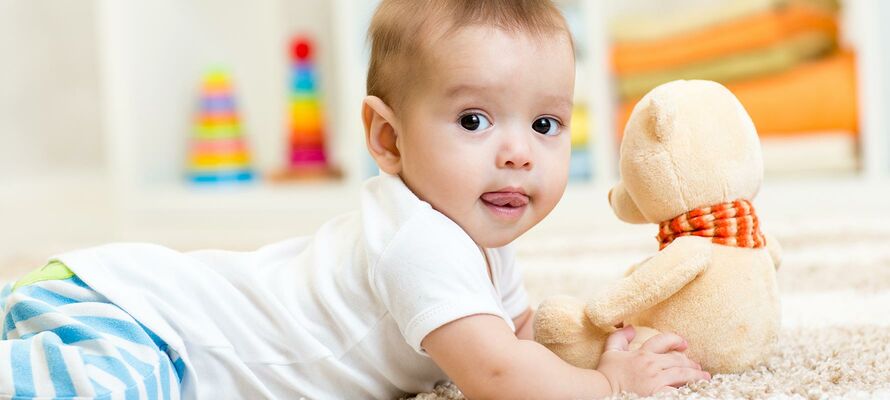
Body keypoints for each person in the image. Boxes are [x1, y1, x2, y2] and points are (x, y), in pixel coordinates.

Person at [0, 1, 710, 399]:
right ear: (387, 138)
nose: (519, 151)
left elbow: (515, 343)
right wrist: (614, 386)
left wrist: (583, 359)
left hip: (114, 302)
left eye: (545, 124)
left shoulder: (478, 240)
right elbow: (496, 375)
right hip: (140, 322)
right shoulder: (420, 243)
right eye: (473, 120)